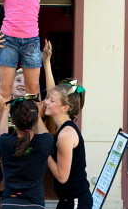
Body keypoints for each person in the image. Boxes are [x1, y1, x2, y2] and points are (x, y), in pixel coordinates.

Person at [0, 94, 54, 208]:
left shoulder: (4, 142)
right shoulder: (45, 141)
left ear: (12, 121)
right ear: (36, 119)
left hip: (9, 202)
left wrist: (6, 109)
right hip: (35, 203)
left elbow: (2, 133)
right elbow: (44, 132)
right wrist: (37, 115)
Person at [44, 78, 93, 209]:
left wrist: (45, 153)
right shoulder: (62, 127)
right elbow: (44, 133)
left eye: (51, 100)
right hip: (67, 200)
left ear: (65, 108)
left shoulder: (66, 135)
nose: (46, 102)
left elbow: (62, 177)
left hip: (75, 200)